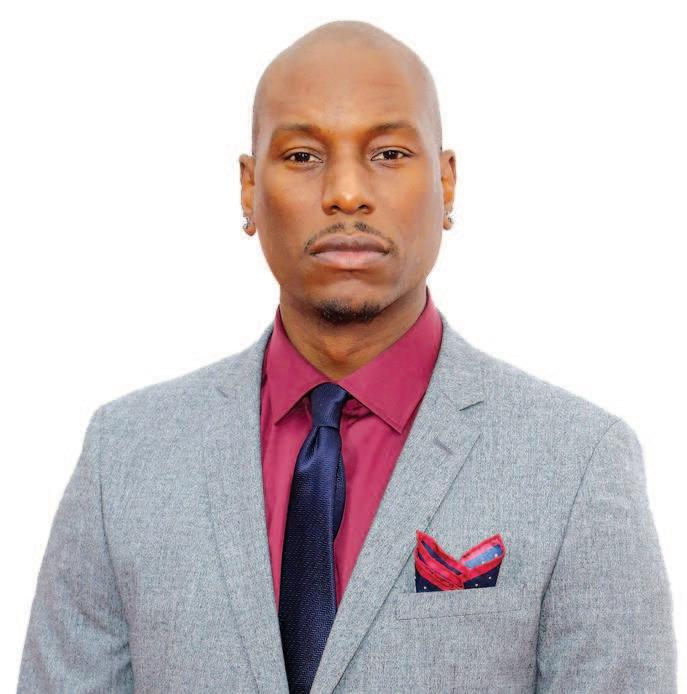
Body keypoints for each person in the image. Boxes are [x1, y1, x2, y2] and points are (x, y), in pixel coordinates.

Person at [17, 19, 676, 694]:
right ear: (248, 188)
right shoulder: (125, 455)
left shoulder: (576, 460)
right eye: (303, 155)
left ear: (446, 182)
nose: (346, 192)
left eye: (388, 153)